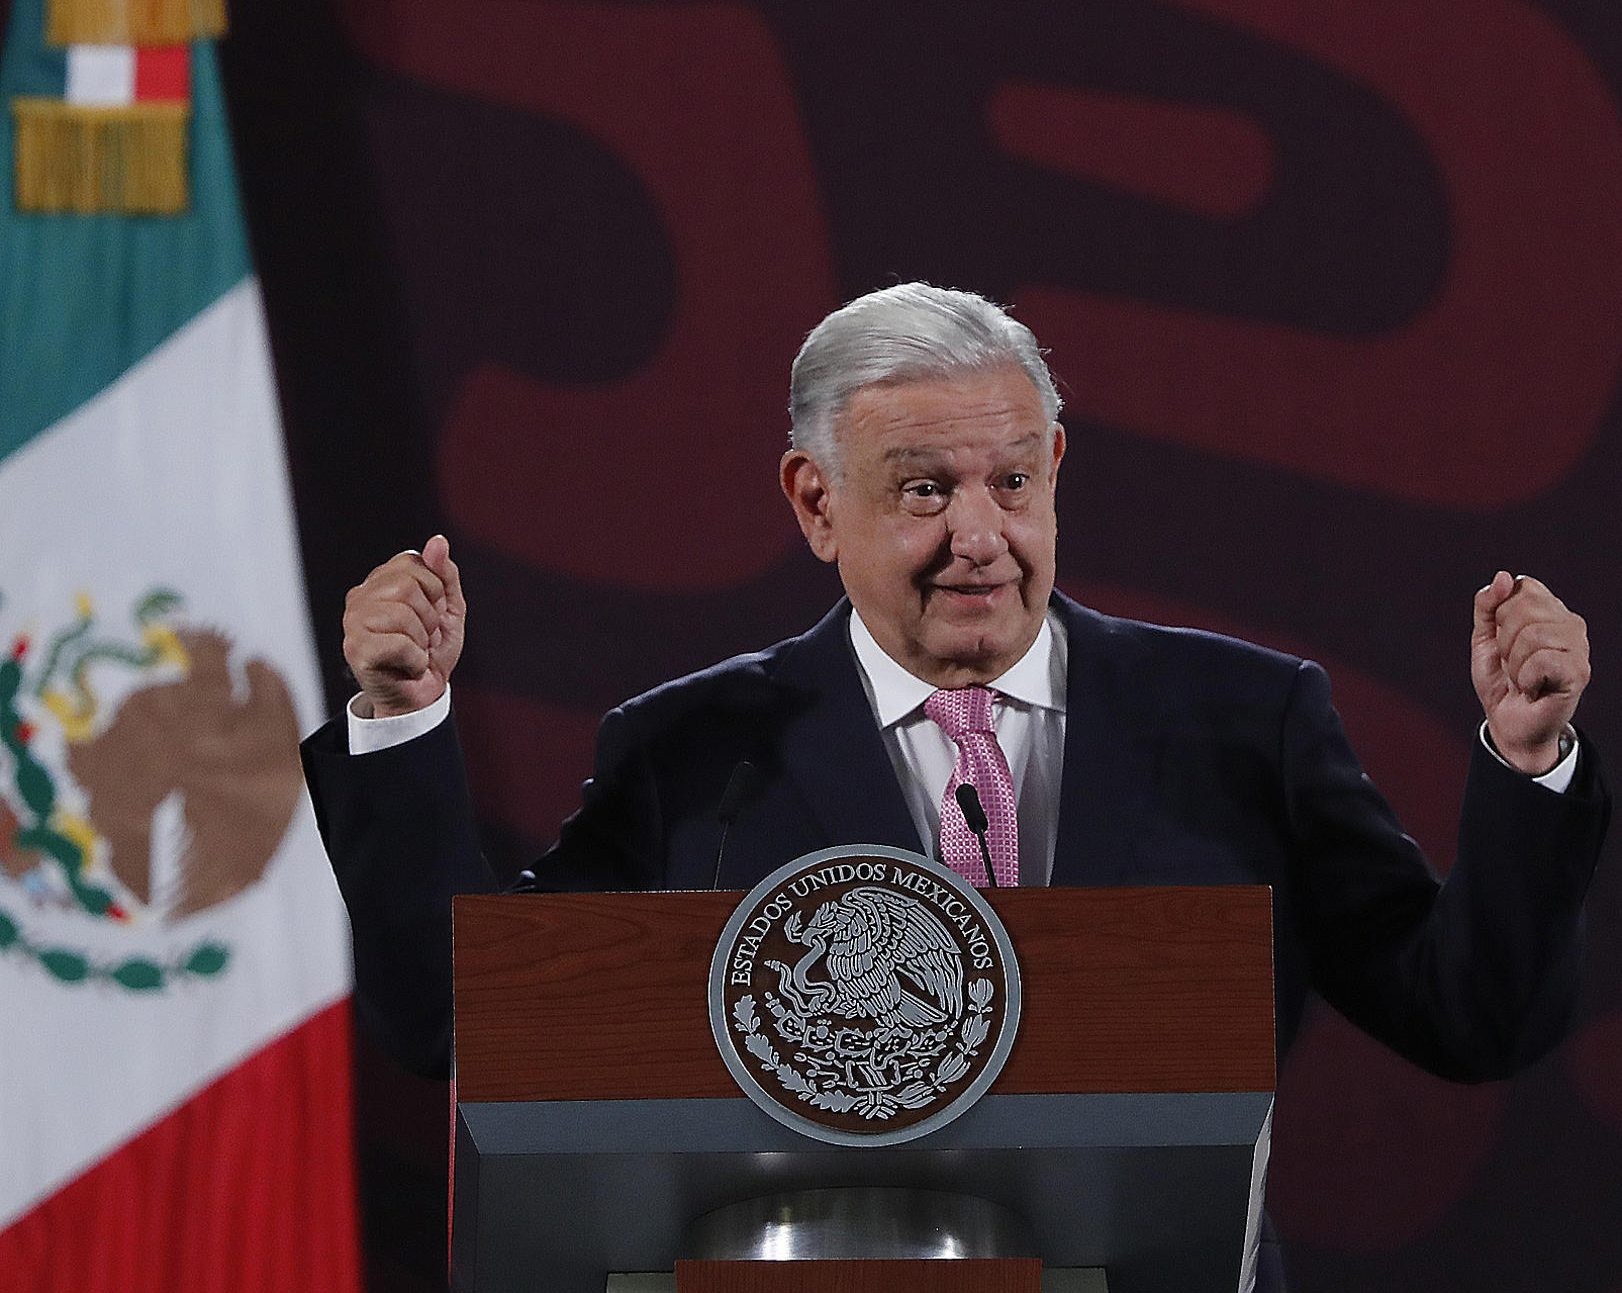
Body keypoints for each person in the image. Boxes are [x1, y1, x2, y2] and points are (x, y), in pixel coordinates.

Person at [300, 283, 1608, 1290]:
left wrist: (1526, 764)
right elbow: (466, 1033)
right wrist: (404, 726)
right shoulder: (693, 747)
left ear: (1053, 471)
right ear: (815, 503)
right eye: (922, 490)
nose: (977, 537)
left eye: (1011, 484)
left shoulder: (1240, 721)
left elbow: (1468, 1017)